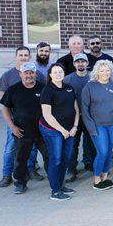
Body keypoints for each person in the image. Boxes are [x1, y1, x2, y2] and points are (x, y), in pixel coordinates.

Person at [0, 62, 49, 195]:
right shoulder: (13, 90)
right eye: (26, 73)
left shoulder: (43, 88)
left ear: (35, 74)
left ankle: (54, 180)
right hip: (21, 132)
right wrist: (12, 126)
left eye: (31, 72)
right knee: (20, 159)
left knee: (49, 156)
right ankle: (20, 183)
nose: (28, 75)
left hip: (42, 131)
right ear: (21, 74)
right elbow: (4, 107)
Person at [0, 47, 40, 188]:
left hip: (35, 125)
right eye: (20, 55)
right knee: (11, 148)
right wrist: (12, 125)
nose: (23, 57)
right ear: (16, 57)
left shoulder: (36, 74)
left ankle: (31, 170)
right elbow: (4, 104)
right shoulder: (8, 76)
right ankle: (7, 175)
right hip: (16, 123)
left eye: (26, 55)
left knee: (32, 149)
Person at [80, 60, 113, 190]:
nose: (105, 73)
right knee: (102, 151)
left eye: (107, 70)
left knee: (108, 152)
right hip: (98, 126)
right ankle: (97, 180)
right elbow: (84, 109)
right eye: (101, 70)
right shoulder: (89, 87)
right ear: (96, 72)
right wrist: (91, 128)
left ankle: (105, 178)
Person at [38, 64, 78, 201]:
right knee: (56, 159)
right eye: (55, 72)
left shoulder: (69, 88)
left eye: (60, 72)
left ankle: (61, 186)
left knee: (66, 158)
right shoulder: (47, 90)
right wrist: (62, 130)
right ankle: (55, 191)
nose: (58, 74)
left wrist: (75, 127)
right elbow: (47, 115)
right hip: (52, 130)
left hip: (69, 130)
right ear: (50, 75)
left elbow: (76, 109)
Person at [63, 53, 92, 182]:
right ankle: (71, 169)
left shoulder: (92, 77)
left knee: (89, 142)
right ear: (74, 64)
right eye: (78, 62)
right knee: (73, 144)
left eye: (83, 61)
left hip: (89, 116)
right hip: (73, 118)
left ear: (87, 63)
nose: (80, 64)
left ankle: (89, 163)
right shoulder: (67, 80)